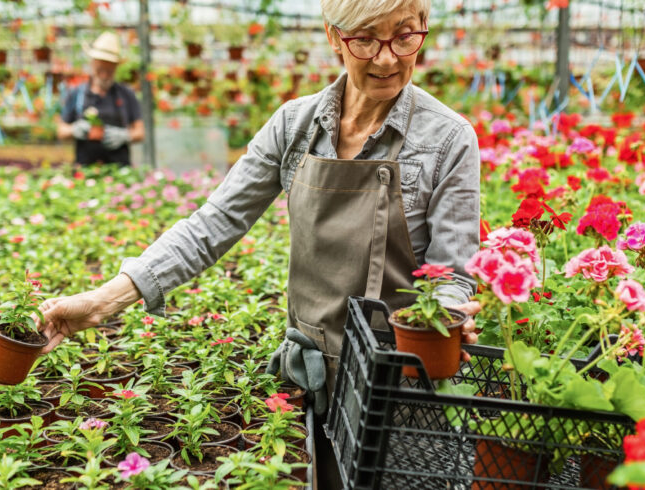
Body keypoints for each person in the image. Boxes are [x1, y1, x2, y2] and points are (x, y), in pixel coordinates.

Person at [38, 1, 480, 487]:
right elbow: (215, 222)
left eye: (404, 36)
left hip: (401, 386)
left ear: (423, 29)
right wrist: (104, 301)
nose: (387, 58)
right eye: (366, 39)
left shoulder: (448, 139)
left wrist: (448, 316)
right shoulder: (295, 125)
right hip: (311, 375)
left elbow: (453, 272)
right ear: (334, 37)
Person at [57, 31, 145, 166]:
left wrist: (125, 136)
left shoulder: (126, 94)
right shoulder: (76, 94)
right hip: (85, 171)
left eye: (109, 71)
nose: (104, 75)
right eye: (100, 69)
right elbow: (61, 131)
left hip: (120, 170)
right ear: (92, 64)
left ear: (116, 67)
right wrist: (75, 130)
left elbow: (140, 132)